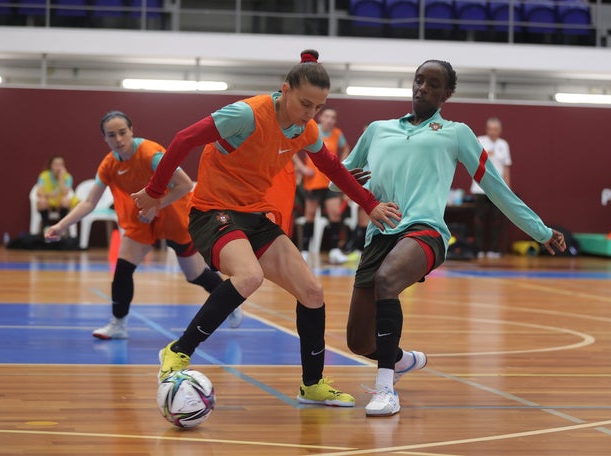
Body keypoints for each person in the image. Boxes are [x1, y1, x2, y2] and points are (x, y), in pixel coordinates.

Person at [130, 50, 402, 408]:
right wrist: (154, 191)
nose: (310, 114)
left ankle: (312, 385)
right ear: (285, 89)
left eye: (318, 107)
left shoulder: (306, 129)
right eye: (305, 103)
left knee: (312, 292)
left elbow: (333, 168)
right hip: (213, 211)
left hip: (254, 215)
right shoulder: (245, 115)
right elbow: (183, 140)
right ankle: (178, 351)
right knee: (249, 276)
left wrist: (369, 203)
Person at [337, 59, 566, 417]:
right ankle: (400, 360)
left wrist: (540, 229)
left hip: (425, 232)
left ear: (447, 94)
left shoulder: (456, 132)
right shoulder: (378, 130)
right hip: (380, 234)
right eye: (418, 80)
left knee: (387, 280)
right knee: (358, 340)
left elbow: (496, 187)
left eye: (432, 84)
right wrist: (351, 183)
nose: (422, 88)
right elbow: (342, 174)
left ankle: (385, 390)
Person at [44, 110, 238, 340]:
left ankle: (232, 303)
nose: (118, 139)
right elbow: (89, 201)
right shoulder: (108, 165)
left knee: (194, 274)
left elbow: (185, 185)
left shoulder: (151, 154)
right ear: (104, 138)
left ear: (131, 131)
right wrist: (62, 226)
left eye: (122, 133)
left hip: (174, 213)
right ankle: (118, 324)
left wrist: (158, 205)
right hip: (142, 220)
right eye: (111, 135)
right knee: (123, 269)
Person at [293, 107, 351, 264]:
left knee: (335, 214)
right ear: (321, 117)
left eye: (333, 117)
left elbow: (345, 148)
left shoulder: (337, 134)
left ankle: (334, 251)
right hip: (313, 181)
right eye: (327, 116)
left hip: (330, 181)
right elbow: (292, 148)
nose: (330, 120)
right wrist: (302, 168)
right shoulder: (312, 130)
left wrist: (343, 163)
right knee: (310, 214)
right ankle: (304, 251)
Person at [470, 117, 512, 259]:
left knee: (495, 220)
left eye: (495, 129)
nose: (492, 132)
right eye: (490, 128)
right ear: (486, 129)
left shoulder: (503, 145)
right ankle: (478, 249)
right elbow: (472, 159)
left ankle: (494, 249)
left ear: (499, 131)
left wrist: (507, 188)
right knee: (479, 219)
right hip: (479, 187)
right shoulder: (479, 140)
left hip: (497, 189)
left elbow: (506, 167)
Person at [35, 155, 78, 230]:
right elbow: (39, 193)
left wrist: (61, 178)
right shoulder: (44, 176)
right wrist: (49, 195)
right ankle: (46, 227)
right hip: (48, 202)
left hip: (60, 202)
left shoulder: (67, 177)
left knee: (65, 201)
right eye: (56, 165)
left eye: (60, 165)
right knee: (42, 201)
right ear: (51, 165)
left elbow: (65, 193)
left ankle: (60, 227)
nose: (58, 167)